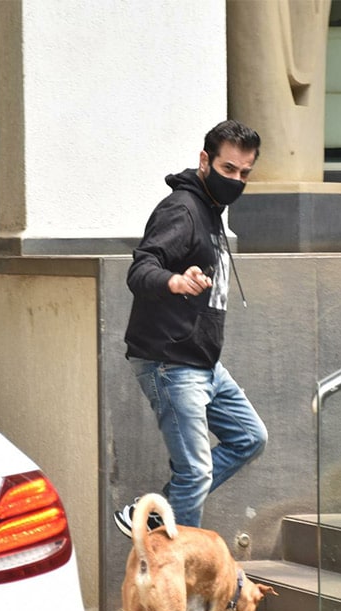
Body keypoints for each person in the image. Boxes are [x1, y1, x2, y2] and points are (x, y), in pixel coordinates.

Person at [114, 119, 268, 540]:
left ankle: (153, 515)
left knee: (249, 437)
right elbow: (141, 267)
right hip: (170, 361)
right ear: (205, 161)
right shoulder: (182, 209)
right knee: (195, 473)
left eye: (244, 174)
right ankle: (167, 595)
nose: (236, 180)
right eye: (228, 169)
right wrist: (174, 281)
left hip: (202, 362)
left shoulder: (211, 211)